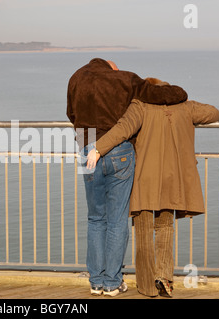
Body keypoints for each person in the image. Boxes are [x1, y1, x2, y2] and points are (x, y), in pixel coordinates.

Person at [87, 77, 219, 297]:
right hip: (173, 179)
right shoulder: (185, 107)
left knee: (143, 231)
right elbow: (214, 113)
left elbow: (122, 129)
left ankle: (147, 286)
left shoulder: (141, 106)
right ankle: (164, 277)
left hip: (145, 179)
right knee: (165, 227)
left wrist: (98, 148)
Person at [67, 58, 188, 297]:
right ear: (113, 67)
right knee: (117, 220)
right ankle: (112, 283)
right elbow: (167, 94)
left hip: (87, 149)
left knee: (95, 219)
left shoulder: (76, 78)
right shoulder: (125, 78)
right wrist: (180, 92)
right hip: (119, 151)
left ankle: (96, 282)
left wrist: (87, 140)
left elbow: (71, 114)